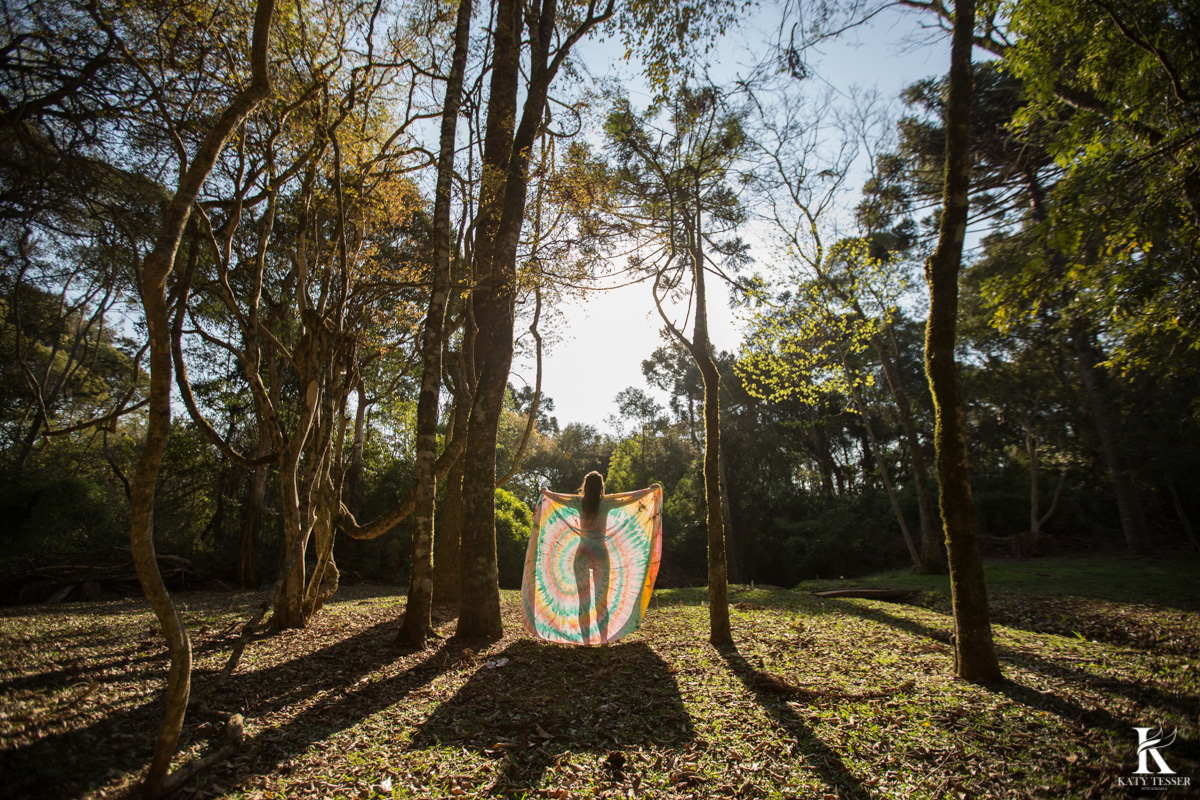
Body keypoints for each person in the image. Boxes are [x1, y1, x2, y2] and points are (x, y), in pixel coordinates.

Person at [574, 471, 611, 644]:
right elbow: (630, 498)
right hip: (600, 554)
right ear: (601, 486)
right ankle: (604, 640)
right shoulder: (607, 503)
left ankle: (586, 641)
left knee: (584, 601)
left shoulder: (578, 502)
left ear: (585, 486)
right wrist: (650, 491)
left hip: (582, 553)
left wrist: (546, 493)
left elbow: (557, 499)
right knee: (601, 601)